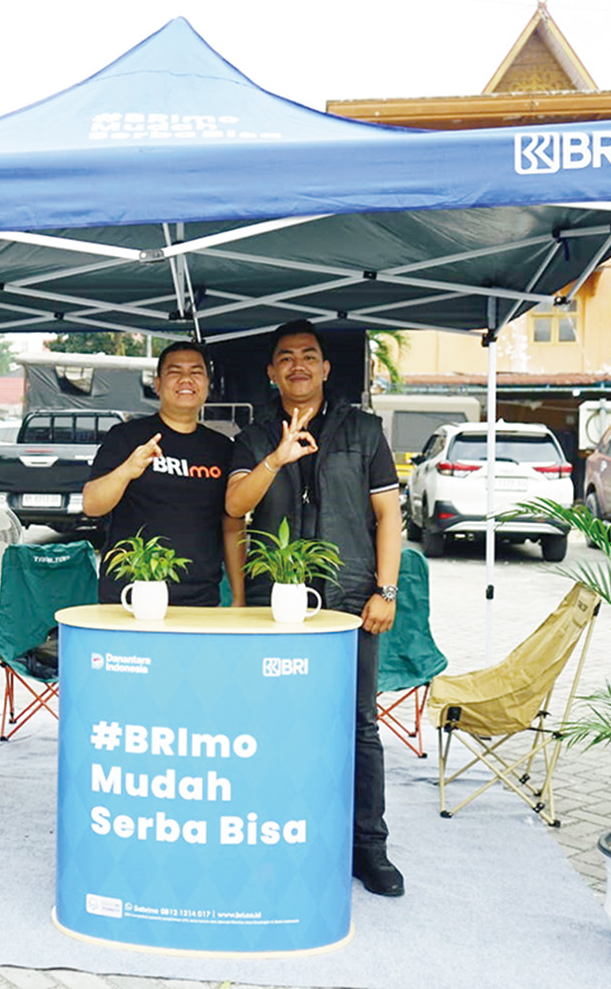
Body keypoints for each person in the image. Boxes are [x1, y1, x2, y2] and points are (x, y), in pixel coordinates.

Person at [224, 319, 405, 897]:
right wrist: (274, 459)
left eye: (309, 356)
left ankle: (367, 847)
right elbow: (235, 505)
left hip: (352, 601)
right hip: (274, 604)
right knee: (272, 722)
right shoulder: (251, 437)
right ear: (272, 372)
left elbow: (388, 519)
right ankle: (279, 835)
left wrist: (387, 590)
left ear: (327, 368)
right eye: (285, 357)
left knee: (358, 725)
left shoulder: (366, 430)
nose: (297, 365)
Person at [82, 341, 244, 607]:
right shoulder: (126, 437)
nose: (186, 379)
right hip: (130, 595)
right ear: (157, 384)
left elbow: (232, 526)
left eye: (196, 372)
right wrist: (127, 471)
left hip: (199, 599)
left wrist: (239, 597)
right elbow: (92, 505)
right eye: (174, 372)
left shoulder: (222, 448)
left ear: (207, 384)